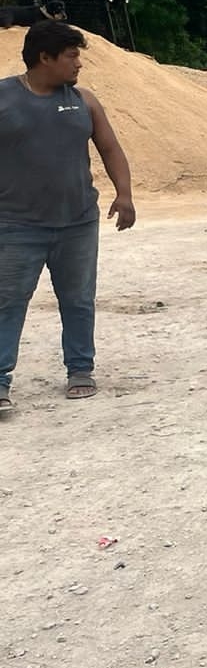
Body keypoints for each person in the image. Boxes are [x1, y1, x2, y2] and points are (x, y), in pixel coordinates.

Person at [0, 21, 136, 412]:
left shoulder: (85, 101)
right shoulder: (4, 98)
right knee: (8, 301)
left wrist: (123, 194)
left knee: (78, 300)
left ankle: (80, 369)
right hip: (15, 225)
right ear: (45, 57)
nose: (79, 64)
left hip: (77, 222)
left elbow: (110, 149)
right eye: (72, 55)